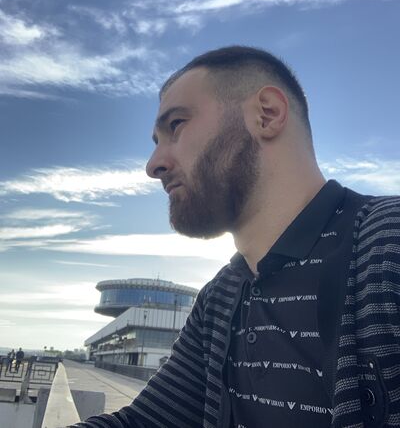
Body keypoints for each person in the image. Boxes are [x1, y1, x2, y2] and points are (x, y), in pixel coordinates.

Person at [71, 46, 400, 428]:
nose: (153, 164)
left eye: (176, 125)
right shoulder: (220, 298)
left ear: (267, 115)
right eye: (156, 141)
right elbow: (146, 422)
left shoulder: (386, 245)